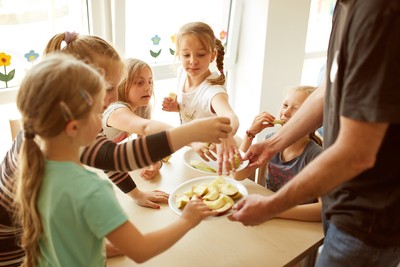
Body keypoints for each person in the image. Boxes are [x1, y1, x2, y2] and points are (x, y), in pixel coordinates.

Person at [0, 32, 232, 266]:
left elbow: (103, 156)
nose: (110, 101)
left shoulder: (47, 134)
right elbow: (113, 156)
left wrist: (135, 194)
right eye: (108, 89)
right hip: (10, 248)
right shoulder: (90, 189)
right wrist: (191, 134)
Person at [229, 1, 400, 266]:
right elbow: (327, 88)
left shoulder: (378, 15)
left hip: (368, 221)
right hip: (342, 207)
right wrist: (273, 143)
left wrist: (272, 207)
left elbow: (356, 154)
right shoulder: (346, 7)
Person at [233, 86, 323, 222]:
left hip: (295, 223)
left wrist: (272, 210)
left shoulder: (316, 156)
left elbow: (322, 210)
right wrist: (250, 134)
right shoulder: (270, 139)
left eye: (296, 108)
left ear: (310, 120)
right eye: (285, 105)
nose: (285, 113)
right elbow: (238, 175)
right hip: (269, 216)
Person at [162, 21, 240, 175]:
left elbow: (230, 115)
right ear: (179, 54)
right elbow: (192, 107)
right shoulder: (183, 73)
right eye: (186, 54)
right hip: (192, 149)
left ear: (212, 56)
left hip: (211, 157)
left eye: (201, 54)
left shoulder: (213, 91)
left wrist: (227, 133)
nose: (192, 60)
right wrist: (177, 106)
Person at [103, 58, 172, 181]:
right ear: (122, 84)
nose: (148, 88)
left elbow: (145, 143)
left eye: (150, 82)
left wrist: (156, 163)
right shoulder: (116, 110)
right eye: (140, 83)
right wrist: (189, 136)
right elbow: (146, 127)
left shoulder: (142, 108)